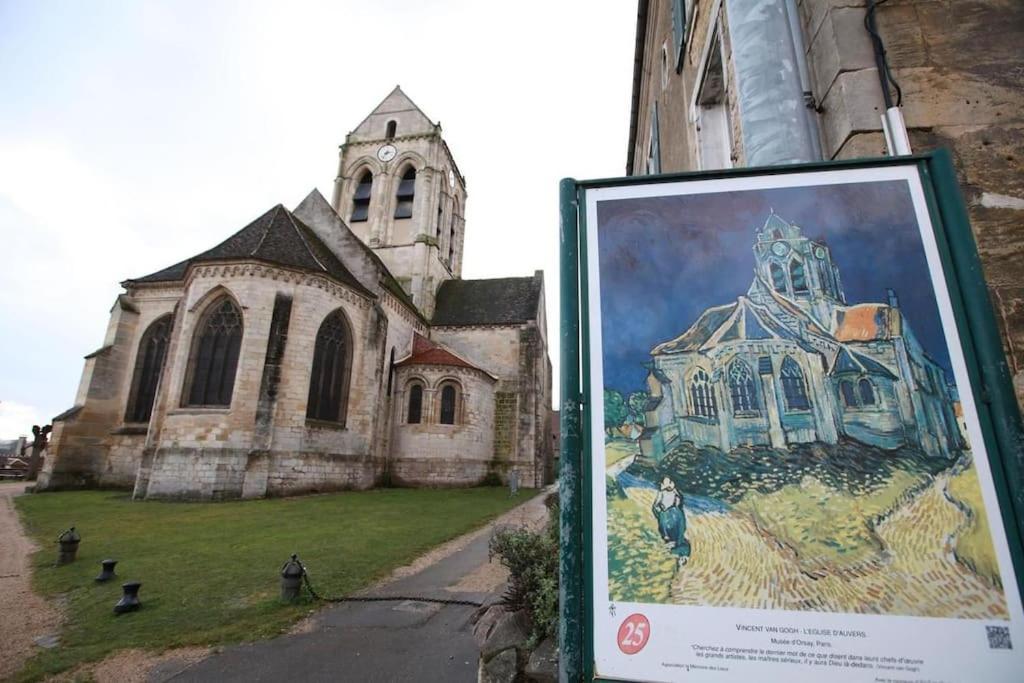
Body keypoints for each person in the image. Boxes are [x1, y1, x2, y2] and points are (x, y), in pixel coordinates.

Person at [651, 476, 691, 568]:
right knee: (668, 533)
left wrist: (677, 498)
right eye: (666, 482)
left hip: (675, 515)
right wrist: (661, 512)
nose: (669, 484)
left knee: (680, 532)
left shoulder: (675, 492)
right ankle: (672, 547)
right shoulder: (661, 493)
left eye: (669, 482)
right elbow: (655, 507)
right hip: (666, 516)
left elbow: (680, 502)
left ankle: (681, 553)